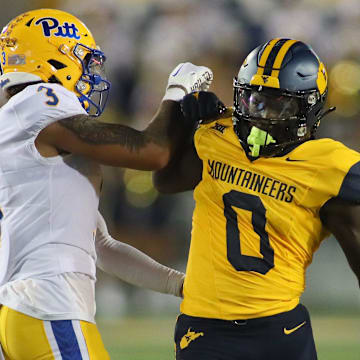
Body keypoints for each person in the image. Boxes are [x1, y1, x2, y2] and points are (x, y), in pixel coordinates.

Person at [0, 8, 213, 359]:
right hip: (50, 306)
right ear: (52, 60)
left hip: (26, 310)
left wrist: (181, 285)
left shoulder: (20, 124)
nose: (90, 75)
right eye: (84, 61)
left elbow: (102, 247)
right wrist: (177, 92)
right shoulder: (38, 102)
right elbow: (151, 152)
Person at [154, 38, 360, 360]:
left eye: (279, 104)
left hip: (278, 329)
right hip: (207, 328)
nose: (262, 115)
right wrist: (185, 122)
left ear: (309, 108)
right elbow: (163, 180)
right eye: (253, 100)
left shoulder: (330, 166)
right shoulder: (220, 138)